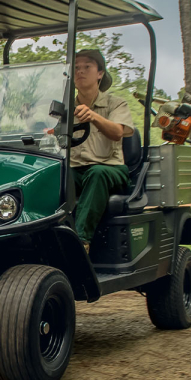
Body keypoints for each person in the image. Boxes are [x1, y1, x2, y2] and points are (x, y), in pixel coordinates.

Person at [70, 49, 135, 246]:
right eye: (76, 68)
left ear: (100, 73)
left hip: (110, 168)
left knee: (96, 173)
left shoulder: (116, 104)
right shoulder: (65, 108)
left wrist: (93, 116)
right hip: (74, 170)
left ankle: (80, 242)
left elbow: (117, 132)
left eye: (87, 67)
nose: (80, 71)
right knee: (48, 175)